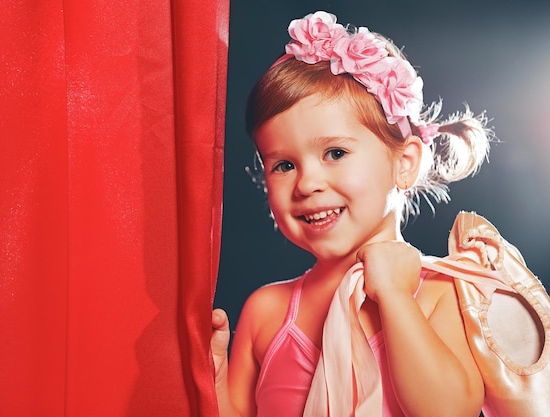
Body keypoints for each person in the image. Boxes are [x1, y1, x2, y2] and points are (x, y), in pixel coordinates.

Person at [211, 11, 494, 417]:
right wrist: (217, 377)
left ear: (405, 162)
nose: (306, 183)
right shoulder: (266, 310)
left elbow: (448, 410)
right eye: (284, 165)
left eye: (335, 153)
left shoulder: (438, 295)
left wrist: (395, 297)